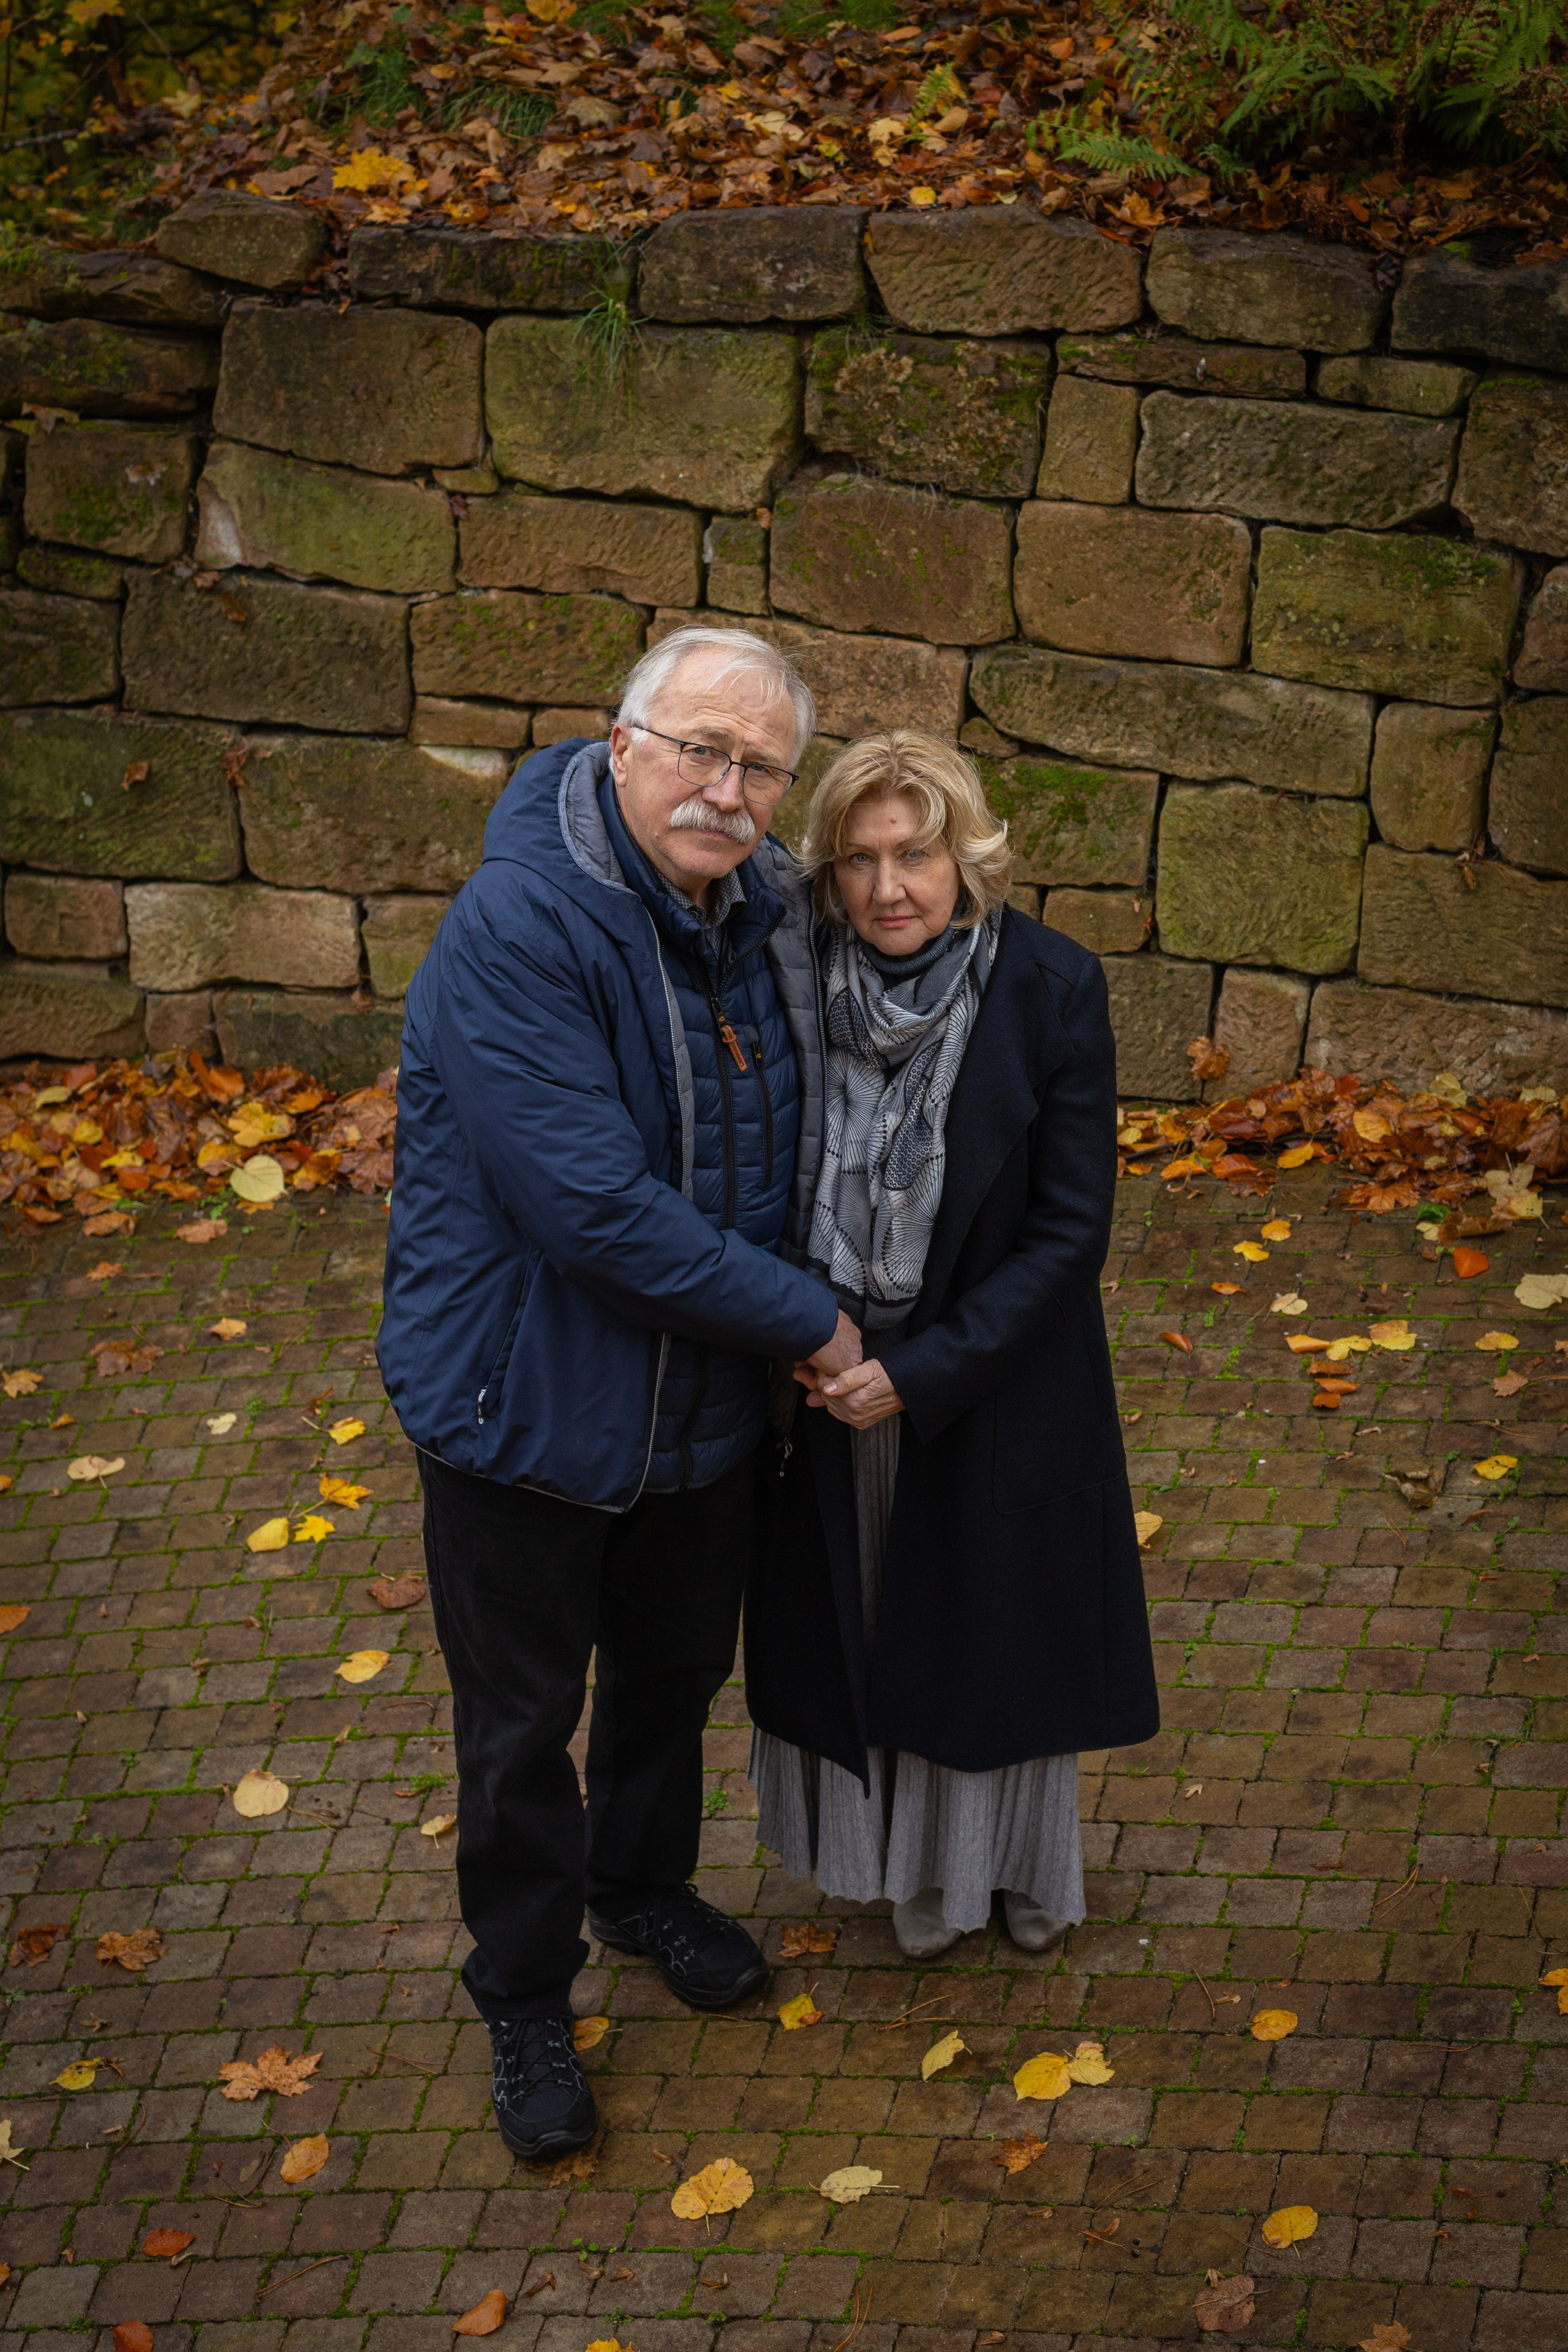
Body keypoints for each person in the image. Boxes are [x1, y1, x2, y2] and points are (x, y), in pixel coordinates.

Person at [377, 627, 860, 2160]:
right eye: (697, 750)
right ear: (620, 740)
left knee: (669, 1679)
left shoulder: (764, 909)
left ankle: (641, 1886)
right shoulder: (520, 924)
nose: (724, 790)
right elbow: (590, 1209)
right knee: (521, 1729)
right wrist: (814, 1321)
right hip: (525, 1408)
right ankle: (523, 1990)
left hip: (702, 1411)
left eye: (758, 767)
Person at [745, 729, 1160, 1961]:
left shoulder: (1049, 986)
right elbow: (747, 1171)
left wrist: (921, 1372)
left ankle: (995, 1880)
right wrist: (790, 1327)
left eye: (915, 853)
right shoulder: (781, 978)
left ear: (962, 853)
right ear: (828, 873)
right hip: (821, 1369)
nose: (888, 888)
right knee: (868, 1615)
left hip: (990, 1377)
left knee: (986, 1634)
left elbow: (1066, 1233)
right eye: (860, 859)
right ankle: (883, 1868)